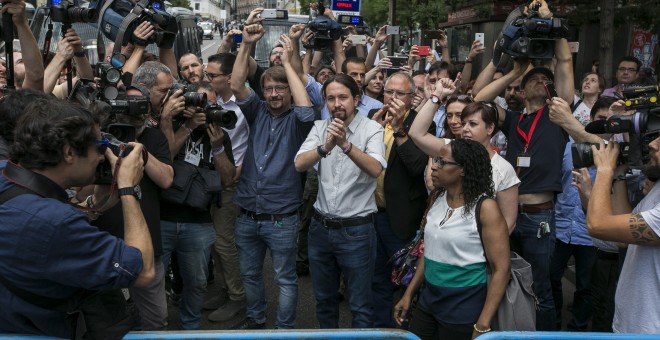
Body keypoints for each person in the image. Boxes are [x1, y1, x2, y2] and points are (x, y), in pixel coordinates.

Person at [474, 9, 602, 326]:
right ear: (522, 87)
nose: (541, 82)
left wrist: (550, 20)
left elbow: (565, 63)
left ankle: (546, 334)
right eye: (534, 79)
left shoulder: (557, 116)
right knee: (505, 278)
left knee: (541, 288)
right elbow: (479, 96)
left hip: (540, 218)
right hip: (508, 214)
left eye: (546, 80)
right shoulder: (515, 119)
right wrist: (513, 70)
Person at [0, 97, 154, 337]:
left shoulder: (6, 178)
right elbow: (143, 271)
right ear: (69, 152)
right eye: (100, 146)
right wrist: (127, 188)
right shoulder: (54, 222)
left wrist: (97, 204)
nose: (103, 157)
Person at [229, 25, 314, 330]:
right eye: (269, 89)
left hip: (281, 217)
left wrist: (288, 65)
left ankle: (285, 330)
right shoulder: (257, 111)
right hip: (248, 214)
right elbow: (237, 82)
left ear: (290, 90)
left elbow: (306, 107)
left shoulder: (300, 121)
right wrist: (246, 45)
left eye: (280, 89)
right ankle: (255, 322)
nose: (274, 94)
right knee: (250, 275)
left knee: (285, 278)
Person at [393, 139, 510, 340]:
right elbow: (429, 253)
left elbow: (502, 269)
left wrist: (483, 323)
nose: (434, 168)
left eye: (442, 162)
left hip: (464, 307)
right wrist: (409, 293)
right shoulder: (437, 198)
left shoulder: (486, 208)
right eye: (436, 161)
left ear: (463, 169)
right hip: (429, 301)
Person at [294, 74, 386, 328]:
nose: (337, 104)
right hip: (320, 229)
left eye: (343, 97)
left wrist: (345, 145)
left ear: (356, 99)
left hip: (356, 230)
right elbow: (299, 164)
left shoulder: (372, 129)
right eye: (331, 98)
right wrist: (325, 147)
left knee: (360, 305)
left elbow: (376, 168)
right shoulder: (319, 128)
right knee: (324, 301)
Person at [90, 85, 173, 330]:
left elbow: (166, 180)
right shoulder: (100, 138)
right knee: (107, 317)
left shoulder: (154, 137)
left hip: (145, 243)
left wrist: (136, 148)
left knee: (156, 318)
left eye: (142, 107)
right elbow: (83, 191)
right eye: (129, 105)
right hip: (104, 240)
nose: (136, 113)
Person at [367, 71, 436, 328]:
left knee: (405, 281)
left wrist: (398, 130)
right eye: (389, 92)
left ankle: (403, 330)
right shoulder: (372, 119)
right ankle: (379, 330)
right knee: (377, 280)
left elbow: (417, 166)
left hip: (401, 217)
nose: (393, 98)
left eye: (400, 94)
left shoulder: (422, 123)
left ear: (411, 97)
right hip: (371, 213)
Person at [586, 133, 660, 334]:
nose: (652, 144)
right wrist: (618, 174)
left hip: (650, 331)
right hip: (631, 324)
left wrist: (604, 170)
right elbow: (623, 241)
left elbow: (597, 224)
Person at [202, 53, 249, 323]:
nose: (207, 79)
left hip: (232, 184)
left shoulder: (243, 107)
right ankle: (224, 289)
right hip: (210, 181)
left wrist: (240, 170)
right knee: (215, 243)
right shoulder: (212, 101)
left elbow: (252, 143)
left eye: (212, 76)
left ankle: (237, 297)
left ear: (229, 77)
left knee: (224, 242)